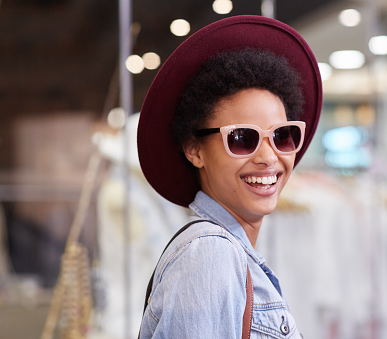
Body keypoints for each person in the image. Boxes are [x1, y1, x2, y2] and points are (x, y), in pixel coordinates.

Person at [137, 15, 322, 338]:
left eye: (282, 136)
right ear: (195, 149)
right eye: (242, 138)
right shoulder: (210, 255)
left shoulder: (229, 254)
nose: (268, 157)